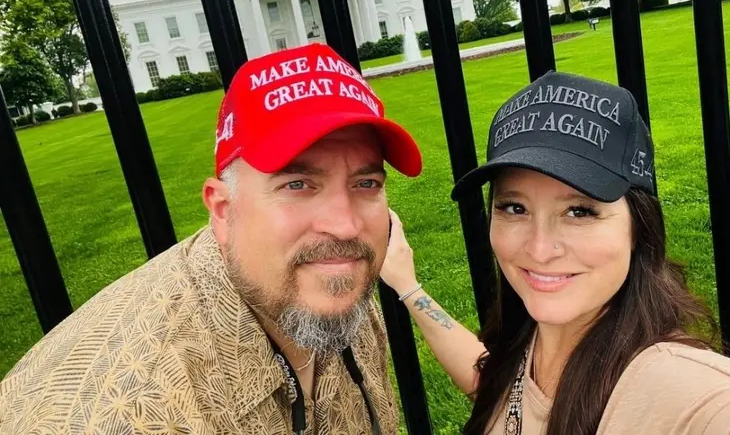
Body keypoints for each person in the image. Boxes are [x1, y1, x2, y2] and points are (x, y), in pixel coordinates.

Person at [0, 42, 423, 434]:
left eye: (366, 183)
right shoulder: (122, 415)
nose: (346, 226)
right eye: (297, 185)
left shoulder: (331, 284)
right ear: (222, 210)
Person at [380, 70, 730, 434]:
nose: (540, 249)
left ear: (639, 226)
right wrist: (407, 286)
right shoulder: (533, 342)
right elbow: (488, 380)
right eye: (514, 207)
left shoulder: (670, 382)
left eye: (579, 211)